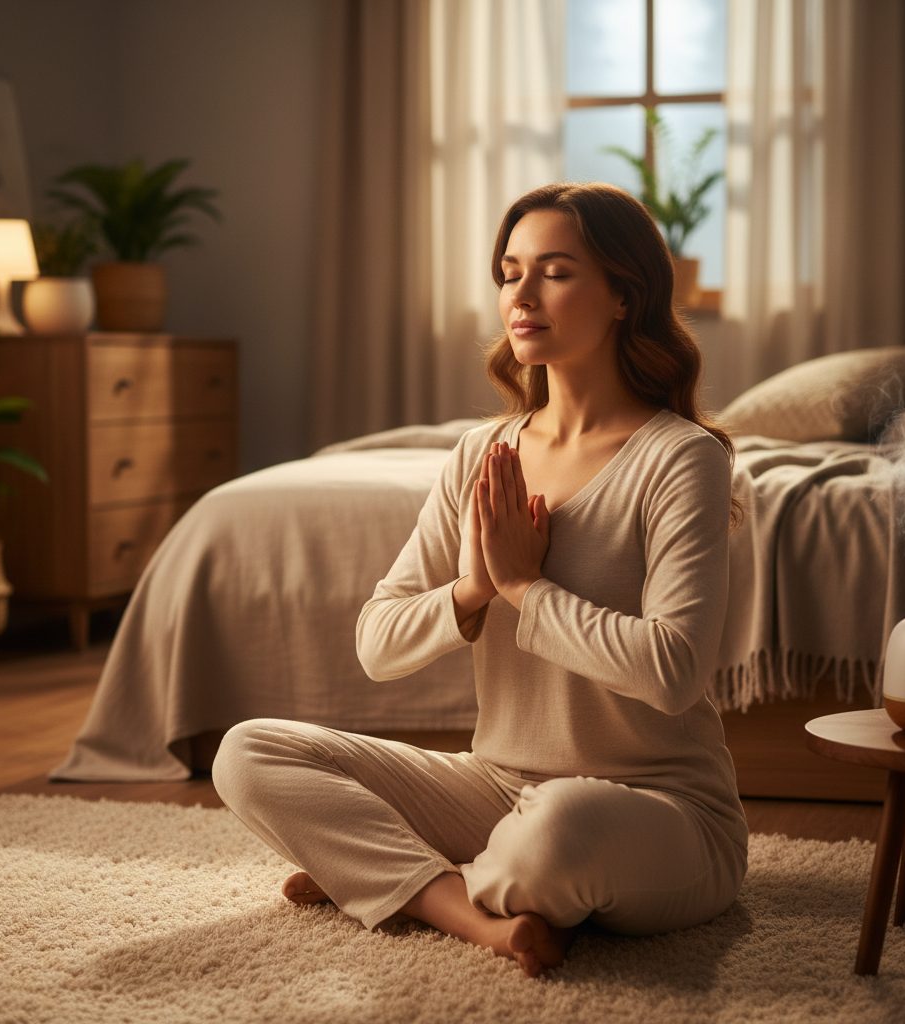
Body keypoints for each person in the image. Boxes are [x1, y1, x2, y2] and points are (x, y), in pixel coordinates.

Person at [212, 181, 748, 979]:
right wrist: (470, 591)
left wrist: (527, 590)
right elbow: (376, 645)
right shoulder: (481, 454)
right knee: (247, 752)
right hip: (497, 786)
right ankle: (469, 910)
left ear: (623, 297)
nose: (520, 296)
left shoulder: (681, 459)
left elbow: (673, 673)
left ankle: (384, 874)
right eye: (509, 272)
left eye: (555, 272)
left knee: (559, 830)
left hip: (658, 809)